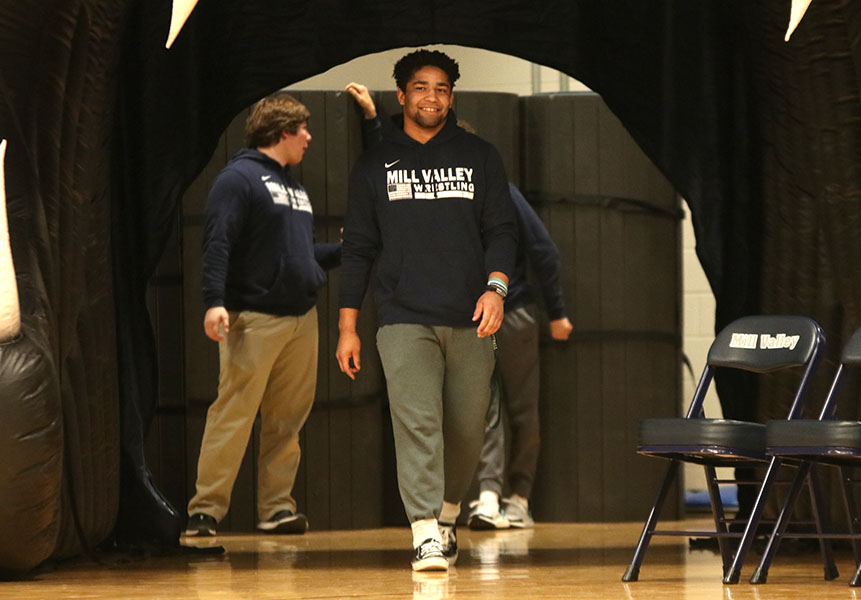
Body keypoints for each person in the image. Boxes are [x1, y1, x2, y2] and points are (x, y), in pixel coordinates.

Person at [345, 82, 574, 530]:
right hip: (454, 315)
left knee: (516, 409)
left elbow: (542, 250)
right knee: (475, 411)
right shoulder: (414, 176)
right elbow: (389, 181)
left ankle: (518, 498)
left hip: (512, 310)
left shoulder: (497, 185)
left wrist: (558, 310)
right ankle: (484, 498)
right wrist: (373, 119)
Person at [337, 50, 517, 571]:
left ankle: (446, 514)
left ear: (451, 96)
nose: (430, 97)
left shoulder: (481, 155)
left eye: (440, 88)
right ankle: (423, 533)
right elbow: (357, 250)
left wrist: (496, 290)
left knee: (465, 432)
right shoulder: (374, 164)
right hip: (402, 316)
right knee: (416, 423)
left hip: (471, 316)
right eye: (420, 87)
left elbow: (501, 231)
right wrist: (348, 327)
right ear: (402, 95)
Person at [185, 94, 340, 537]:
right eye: (304, 129)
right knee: (233, 415)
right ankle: (205, 511)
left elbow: (300, 254)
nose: (310, 138)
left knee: (286, 421)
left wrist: (346, 252)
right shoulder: (238, 179)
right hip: (254, 318)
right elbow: (218, 242)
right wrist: (214, 300)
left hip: (301, 320)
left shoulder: (295, 187)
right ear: (283, 131)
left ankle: (276, 509)